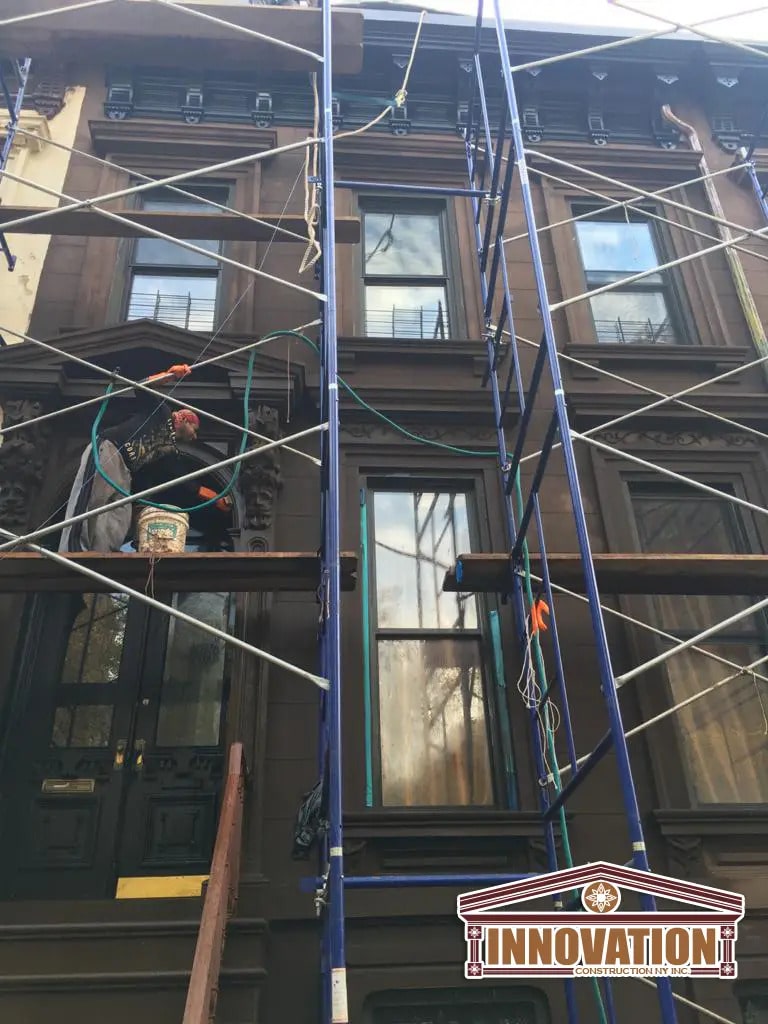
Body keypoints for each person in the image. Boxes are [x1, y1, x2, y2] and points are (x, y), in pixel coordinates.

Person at [59, 364, 232, 554]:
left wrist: (215, 499)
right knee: (93, 500)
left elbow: (188, 483)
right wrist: (170, 375)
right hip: (111, 450)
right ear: (183, 419)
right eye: (194, 430)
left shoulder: (168, 451)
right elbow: (141, 387)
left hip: (126, 471)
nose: (194, 436)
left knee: (120, 514)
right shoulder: (162, 412)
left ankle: (101, 554)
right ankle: (74, 551)